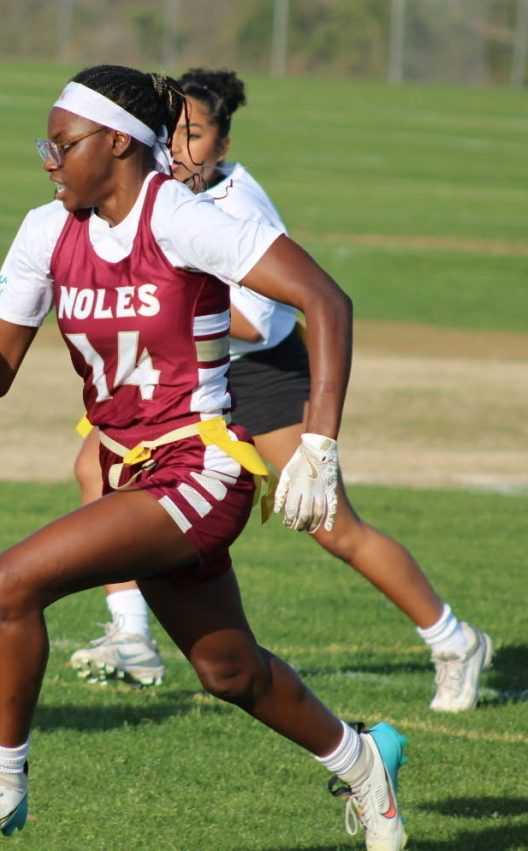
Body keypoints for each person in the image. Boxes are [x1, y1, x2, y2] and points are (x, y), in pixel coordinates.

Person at [0, 65, 408, 849]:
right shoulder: (45, 231)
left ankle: (0, 782)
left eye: (62, 144)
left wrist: (319, 443)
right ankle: (365, 760)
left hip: (202, 467)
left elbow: (326, 299)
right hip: (132, 470)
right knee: (229, 671)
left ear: (117, 144)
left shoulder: (183, 219)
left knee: (12, 581)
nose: (48, 158)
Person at [68, 67, 493, 714]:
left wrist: (160, 310)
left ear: (223, 142)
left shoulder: (237, 203)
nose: (180, 148)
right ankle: (132, 635)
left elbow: (263, 320)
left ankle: (454, 638)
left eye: (197, 135)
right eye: (172, 133)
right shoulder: (152, 188)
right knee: (99, 467)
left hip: (260, 374)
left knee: (330, 523)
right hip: (195, 370)